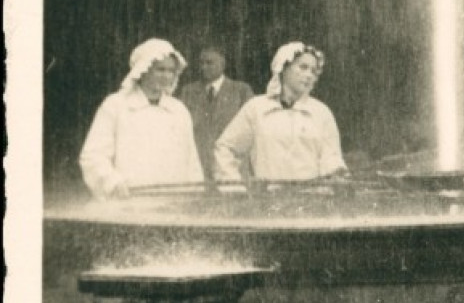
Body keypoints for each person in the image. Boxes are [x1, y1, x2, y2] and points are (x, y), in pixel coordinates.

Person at [79, 38, 206, 200]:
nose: (167, 76)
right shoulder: (116, 106)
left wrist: (193, 196)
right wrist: (113, 182)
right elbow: (93, 156)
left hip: (174, 205)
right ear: (143, 70)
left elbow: (192, 163)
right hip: (129, 204)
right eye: (160, 70)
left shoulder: (179, 111)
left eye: (171, 71)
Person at [215, 41, 346, 182]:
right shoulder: (256, 109)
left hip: (310, 199)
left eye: (313, 71)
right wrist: (234, 187)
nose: (309, 75)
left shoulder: (321, 113)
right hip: (268, 199)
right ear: (283, 68)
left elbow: (331, 160)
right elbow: (226, 148)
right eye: (303, 67)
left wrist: (334, 179)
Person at [177, 45, 254, 178]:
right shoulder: (188, 92)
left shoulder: (241, 91)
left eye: (209, 63)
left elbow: (251, 131)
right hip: (200, 166)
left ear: (222, 64)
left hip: (231, 167)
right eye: (201, 63)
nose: (203, 67)